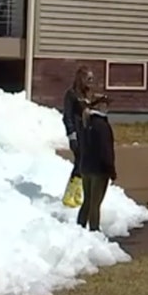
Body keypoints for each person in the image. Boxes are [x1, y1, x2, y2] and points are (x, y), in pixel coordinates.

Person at [77, 96, 117, 232]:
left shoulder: (85, 122)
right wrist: (111, 170)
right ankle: (94, 231)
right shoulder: (102, 126)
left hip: (86, 167)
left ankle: (79, 227)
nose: (108, 107)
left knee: (87, 201)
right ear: (100, 106)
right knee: (95, 203)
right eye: (106, 104)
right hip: (99, 169)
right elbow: (106, 151)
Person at [60, 66, 94, 208]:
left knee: (85, 162)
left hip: (86, 133)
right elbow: (67, 116)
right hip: (77, 133)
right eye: (89, 79)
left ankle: (78, 192)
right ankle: (69, 193)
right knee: (79, 161)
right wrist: (71, 135)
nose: (91, 82)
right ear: (82, 78)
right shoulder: (71, 94)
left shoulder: (86, 94)